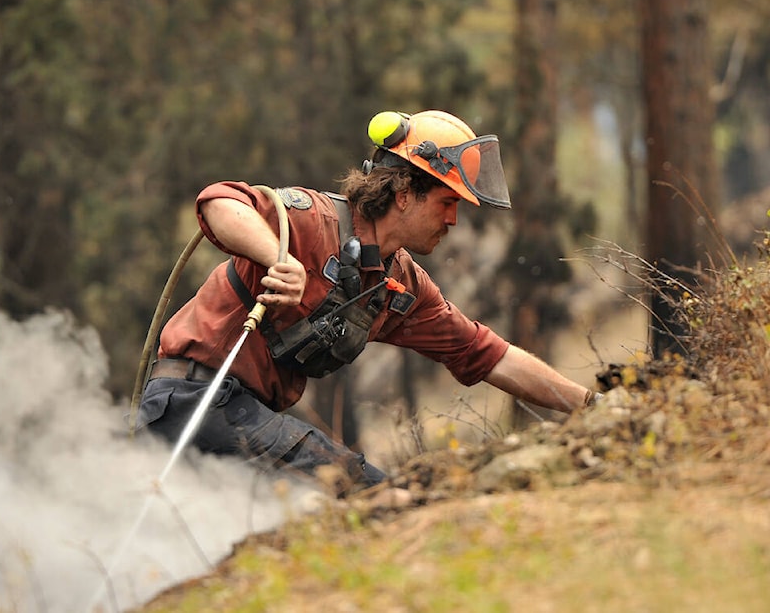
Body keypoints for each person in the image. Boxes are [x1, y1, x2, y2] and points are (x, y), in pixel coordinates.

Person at [135, 109, 601, 495]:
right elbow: (219, 201)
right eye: (446, 202)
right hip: (191, 404)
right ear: (403, 193)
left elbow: (487, 354)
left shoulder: (400, 288)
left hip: (243, 418)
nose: (454, 220)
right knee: (370, 497)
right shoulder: (310, 221)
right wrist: (276, 258)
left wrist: (592, 405)